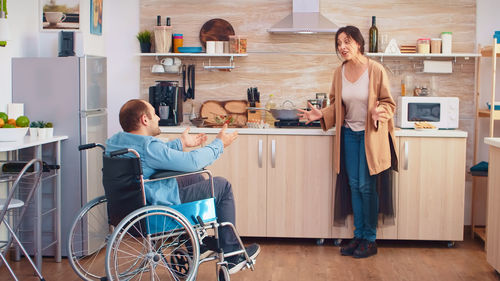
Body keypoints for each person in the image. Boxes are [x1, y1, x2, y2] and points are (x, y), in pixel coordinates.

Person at [106, 99, 260, 273]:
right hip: (153, 211)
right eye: (154, 113)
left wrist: (180, 144)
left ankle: (196, 244)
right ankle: (232, 254)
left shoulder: (116, 141)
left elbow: (155, 155)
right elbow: (192, 161)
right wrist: (219, 144)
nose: (158, 117)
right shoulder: (149, 147)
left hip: (126, 211)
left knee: (195, 178)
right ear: (144, 120)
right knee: (221, 186)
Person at [298, 26, 398, 258]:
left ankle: (370, 239)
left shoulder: (376, 70)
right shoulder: (339, 72)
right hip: (349, 135)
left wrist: (380, 111)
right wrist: (322, 114)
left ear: (359, 44)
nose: (342, 47)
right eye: (339, 43)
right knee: (354, 185)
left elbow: (388, 103)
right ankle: (359, 236)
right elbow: (337, 106)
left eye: (347, 42)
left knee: (366, 187)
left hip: (370, 137)